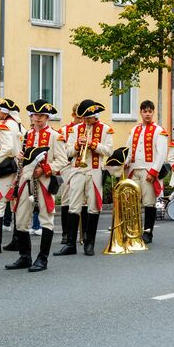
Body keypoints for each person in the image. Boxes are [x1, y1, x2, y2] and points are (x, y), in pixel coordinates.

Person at [5, 100, 68, 272]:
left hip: (45, 181)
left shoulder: (56, 136)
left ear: (47, 117)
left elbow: (62, 161)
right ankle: (25, 256)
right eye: (34, 115)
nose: (37, 118)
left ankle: (42, 259)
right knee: (21, 218)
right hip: (26, 180)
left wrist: (45, 169)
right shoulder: (27, 135)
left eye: (41, 115)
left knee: (46, 218)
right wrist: (20, 157)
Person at [56, 99, 113, 256]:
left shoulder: (106, 129)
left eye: (89, 118)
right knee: (73, 206)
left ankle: (89, 243)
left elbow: (109, 151)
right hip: (77, 170)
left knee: (94, 207)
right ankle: (70, 244)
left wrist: (92, 144)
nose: (87, 122)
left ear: (95, 116)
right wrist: (76, 146)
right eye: (84, 118)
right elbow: (66, 152)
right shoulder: (75, 130)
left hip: (95, 171)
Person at [125, 100, 168, 244]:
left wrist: (153, 171)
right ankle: (134, 230)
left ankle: (148, 232)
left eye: (150, 111)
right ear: (141, 112)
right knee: (133, 202)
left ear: (153, 112)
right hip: (134, 169)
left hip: (148, 171)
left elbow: (161, 153)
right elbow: (129, 149)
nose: (147, 114)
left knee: (149, 202)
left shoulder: (159, 130)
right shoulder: (134, 129)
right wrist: (124, 164)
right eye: (145, 111)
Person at [0, 98, 24, 253]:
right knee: (14, 202)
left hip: (6, 167)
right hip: (17, 165)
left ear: (4, 111)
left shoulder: (5, 125)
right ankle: (16, 240)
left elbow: (7, 148)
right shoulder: (19, 124)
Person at [56, 103, 82, 247]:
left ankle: (82, 233)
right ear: (73, 115)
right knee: (66, 200)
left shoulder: (86, 130)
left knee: (81, 200)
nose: (81, 120)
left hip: (81, 167)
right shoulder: (64, 130)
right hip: (67, 166)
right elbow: (61, 150)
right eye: (78, 117)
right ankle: (66, 234)